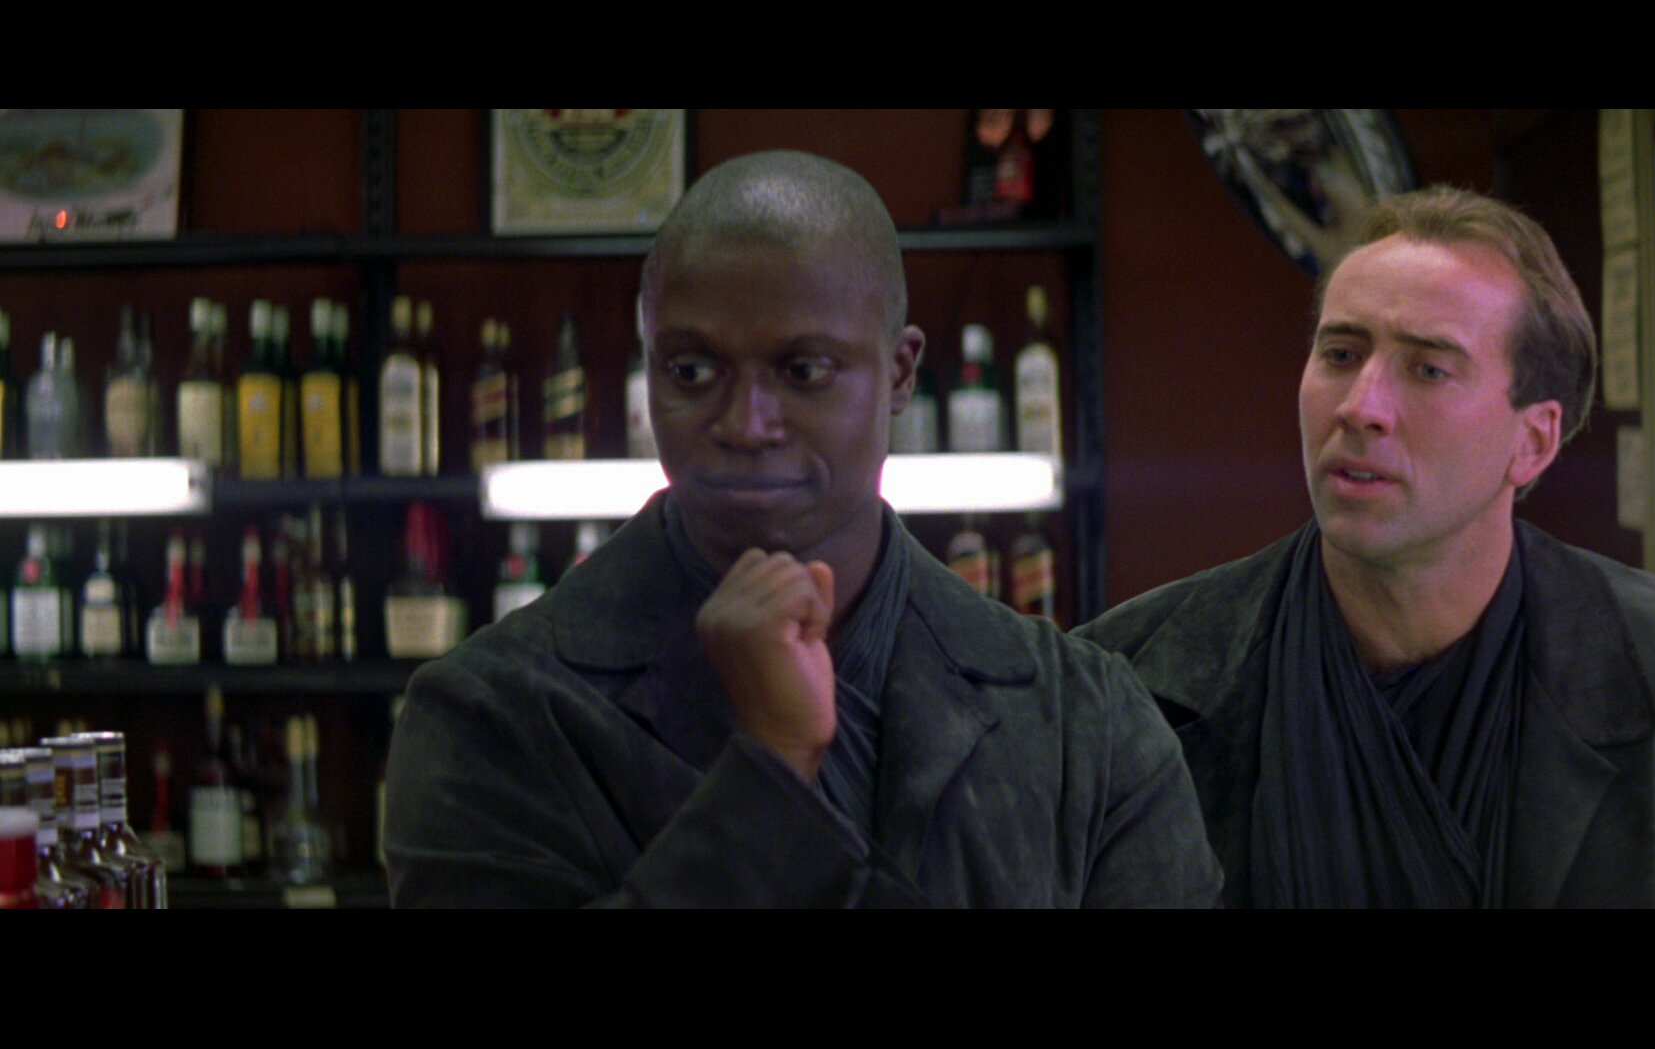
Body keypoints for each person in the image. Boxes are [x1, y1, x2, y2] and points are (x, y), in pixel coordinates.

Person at [383, 150, 1220, 908]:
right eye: (692, 370)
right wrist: (771, 771)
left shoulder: (1086, 721)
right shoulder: (490, 713)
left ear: (900, 373)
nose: (746, 423)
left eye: (804, 370)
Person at [1075, 186, 1655, 908]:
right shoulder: (1124, 684)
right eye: (1340, 354)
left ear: (1532, 440)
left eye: (1429, 368)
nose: (1360, 407)